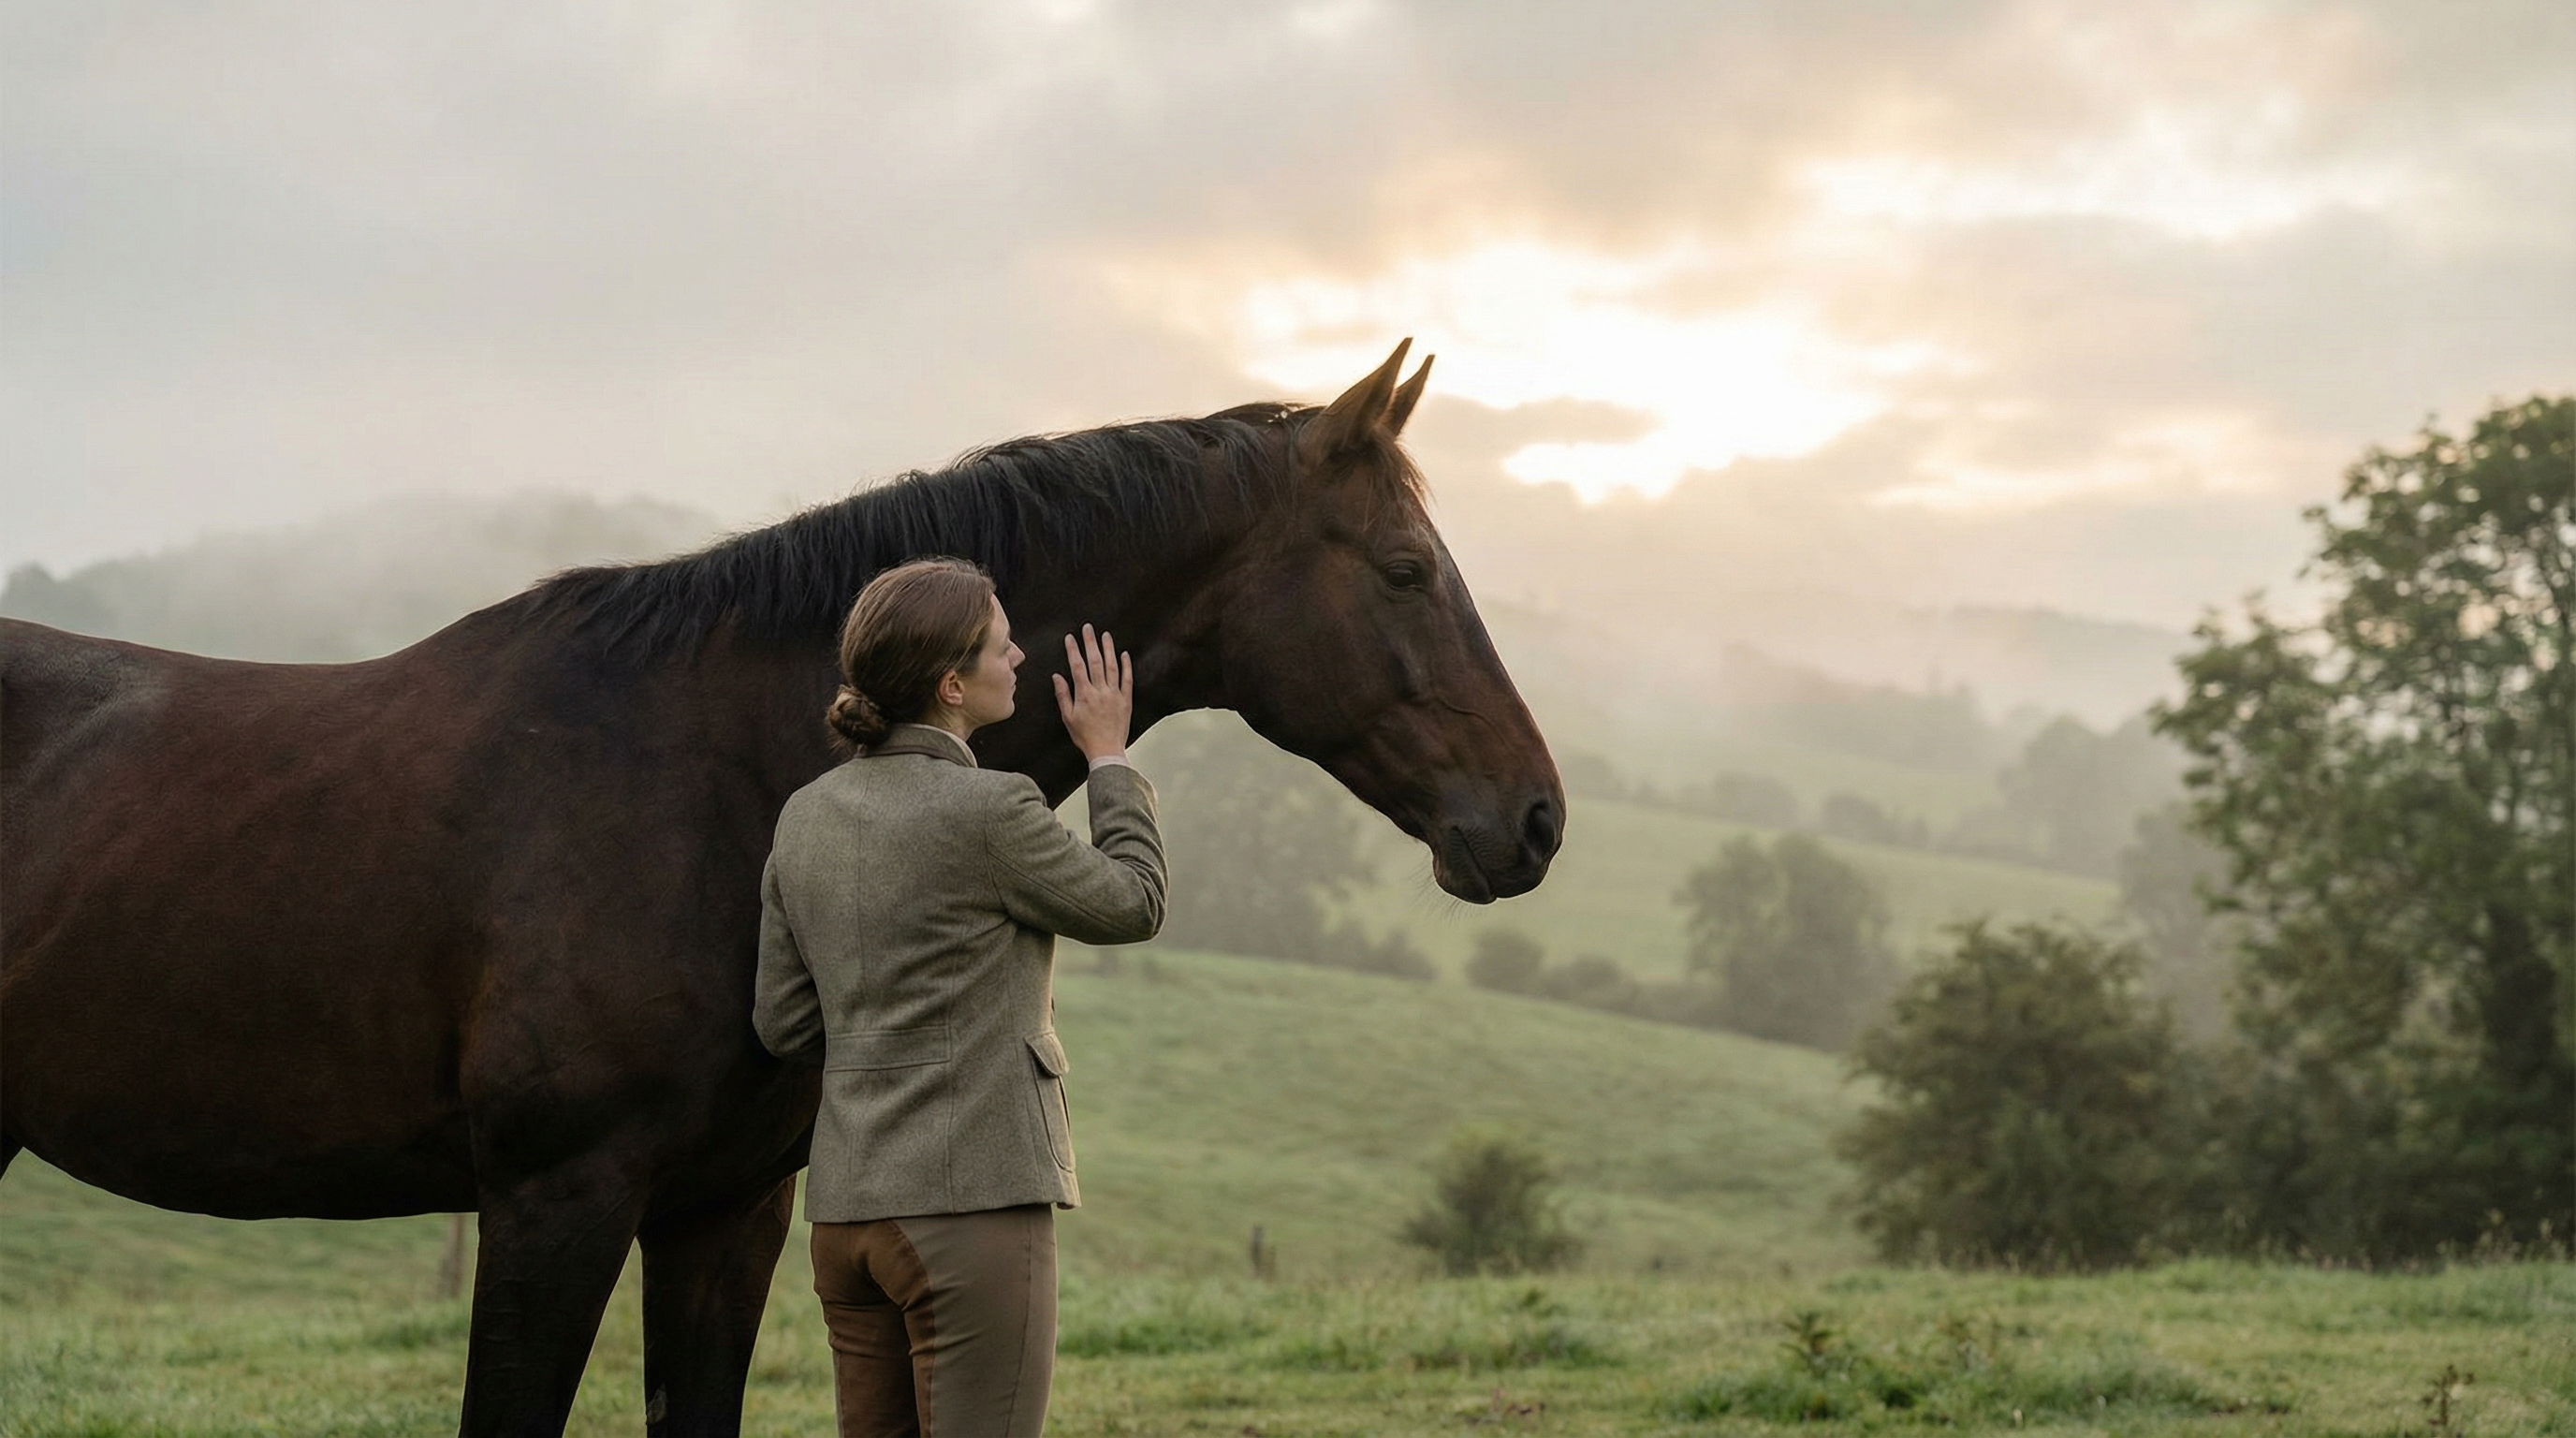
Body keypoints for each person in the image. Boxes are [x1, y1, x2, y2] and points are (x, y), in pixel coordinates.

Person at [754, 556, 1166, 1438]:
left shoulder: (805, 815)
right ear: (950, 684)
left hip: (847, 1222)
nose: (1018, 655)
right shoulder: (993, 810)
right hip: (970, 1216)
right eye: (999, 644)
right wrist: (1109, 758)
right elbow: (1135, 904)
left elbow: (784, 1024)